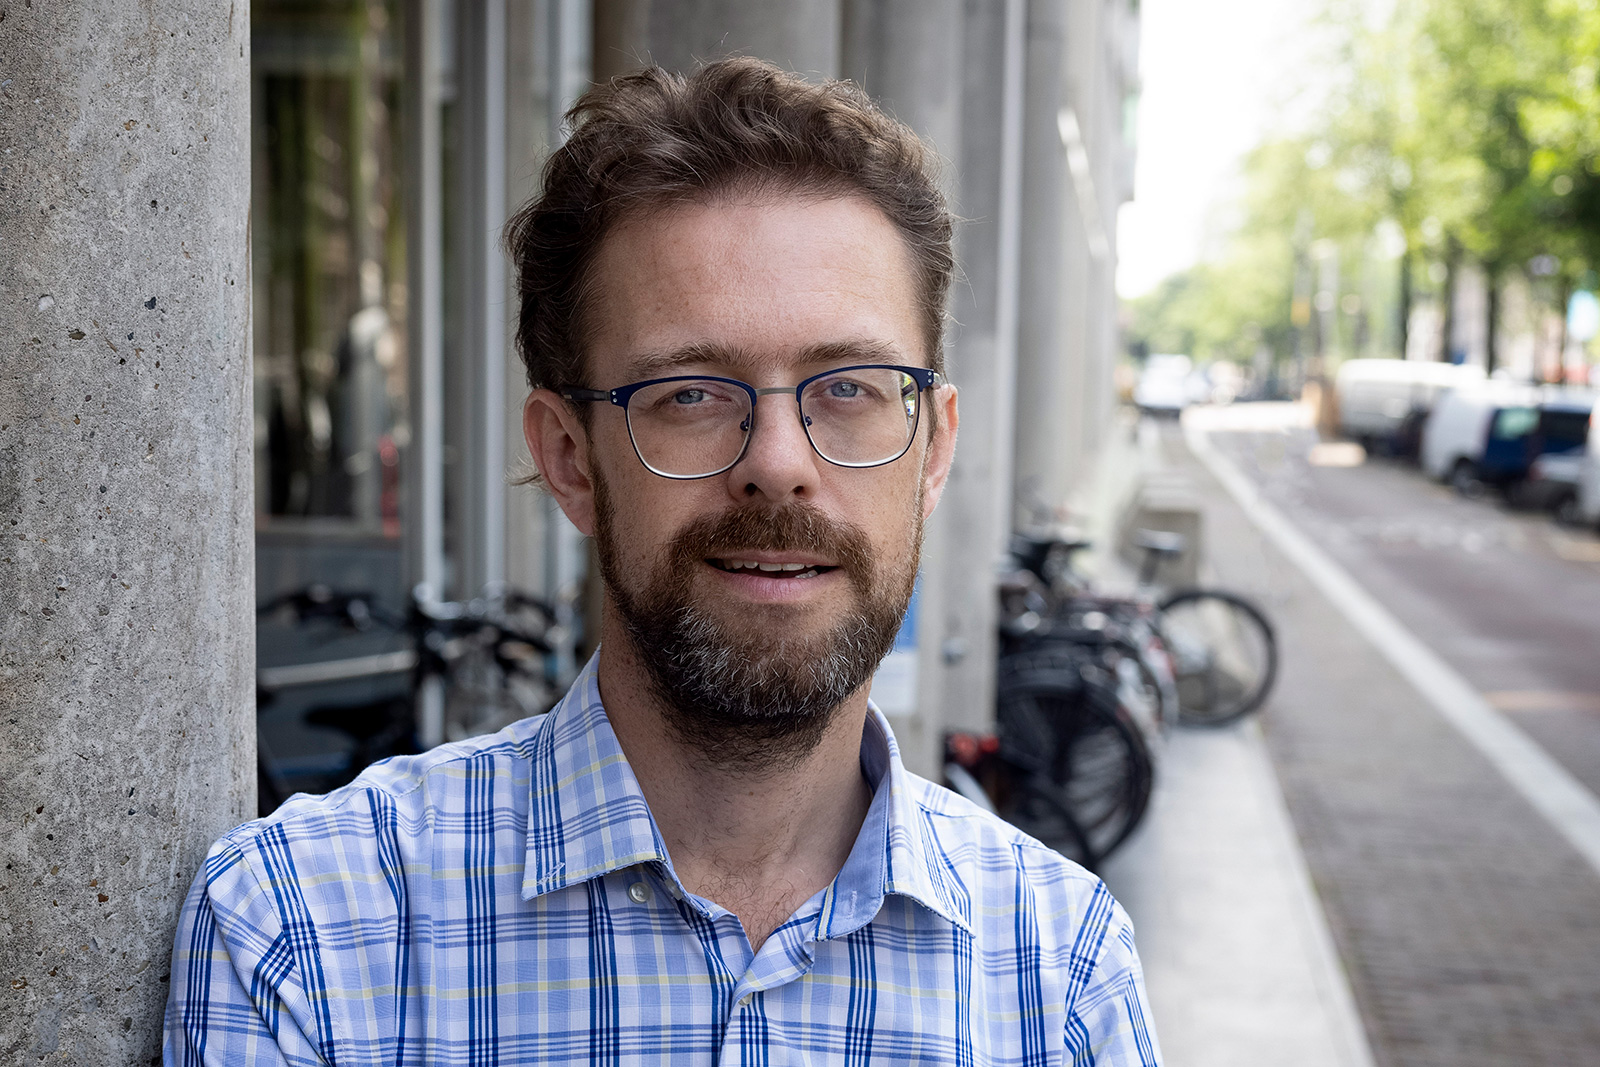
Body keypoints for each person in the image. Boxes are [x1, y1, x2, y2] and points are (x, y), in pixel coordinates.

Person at [164, 58, 1161, 1065]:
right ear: (570, 459)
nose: (779, 464)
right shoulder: (304, 933)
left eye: (849, 387)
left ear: (932, 450)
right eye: (690, 393)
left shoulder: (1060, 970)